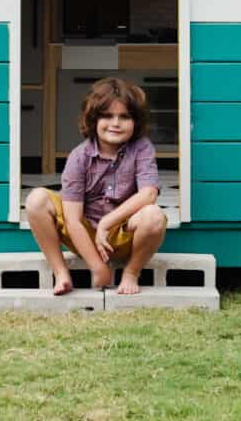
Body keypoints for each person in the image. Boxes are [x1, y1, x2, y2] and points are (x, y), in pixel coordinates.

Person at [24, 76, 167, 296]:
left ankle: (131, 272)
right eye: (107, 116)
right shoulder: (79, 157)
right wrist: (97, 267)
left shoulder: (142, 148)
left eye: (125, 117)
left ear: (135, 122)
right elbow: (72, 220)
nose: (116, 123)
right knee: (36, 199)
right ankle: (61, 273)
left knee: (154, 215)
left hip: (123, 233)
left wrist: (107, 223)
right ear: (93, 120)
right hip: (85, 233)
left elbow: (148, 194)